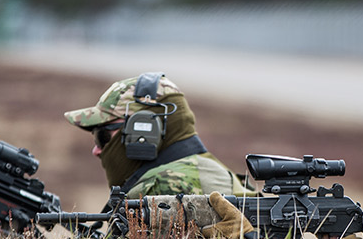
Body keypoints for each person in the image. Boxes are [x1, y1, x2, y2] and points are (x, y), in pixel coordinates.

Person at [64, 72, 253, 199]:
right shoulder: (208, 168)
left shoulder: (163, 186)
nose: (96, 150)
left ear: (144, 130)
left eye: (102, 136)